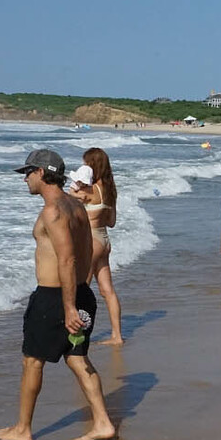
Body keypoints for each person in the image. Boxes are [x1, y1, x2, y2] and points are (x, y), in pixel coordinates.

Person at [0, 150, 116, 440]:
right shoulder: (75, 206)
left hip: (55, 298)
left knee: (32, 362)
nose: (25, 179)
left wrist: (69, 305)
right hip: (79, 293)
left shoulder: (53, 211)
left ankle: (23, 429)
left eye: (27, 172)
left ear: (41, 172)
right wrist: (81, 295)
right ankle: (102, 423)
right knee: (77, 358)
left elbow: (68, 259)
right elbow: (85, 252)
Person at [81, 148, 124, 345]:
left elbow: (64, 198)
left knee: (83, 290)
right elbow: (112, 222)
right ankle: (117, 335)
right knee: (108, 291)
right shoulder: (110, 191)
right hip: (104, 240)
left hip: (90, 241)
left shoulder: (89, 191)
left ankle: (80, 334)